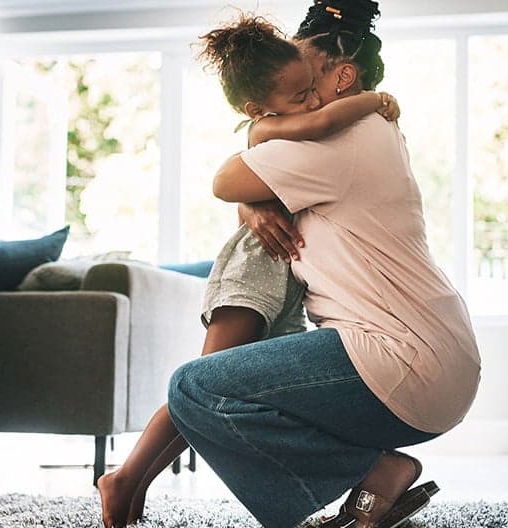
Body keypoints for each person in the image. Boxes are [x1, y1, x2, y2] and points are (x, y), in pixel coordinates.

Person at [167, 1, 482, 527]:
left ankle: (377, 469)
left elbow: (225, 181)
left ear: (342, 76)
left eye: (307, 80)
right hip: (431, 355)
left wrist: (252, 179)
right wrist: (256, 198)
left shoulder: (341, 135)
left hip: (397, 356)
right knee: (226, 384)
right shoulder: (368, 131)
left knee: (194, 387)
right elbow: (246, 183)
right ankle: (367, 484)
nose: (298, 99)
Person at [96, 13, 401, 528]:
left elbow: (269, 187)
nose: (309, 99)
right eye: (299, 93)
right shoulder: (273, 125)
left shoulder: (286, 121)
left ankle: (131, 480)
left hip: (285, 271)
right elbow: (308, 133)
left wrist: (254, 205)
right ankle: (125, 477)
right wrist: (374, 102)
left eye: (311, 88)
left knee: (227, 387)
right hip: (256, 265)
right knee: (205, 379)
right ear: (257, 107)